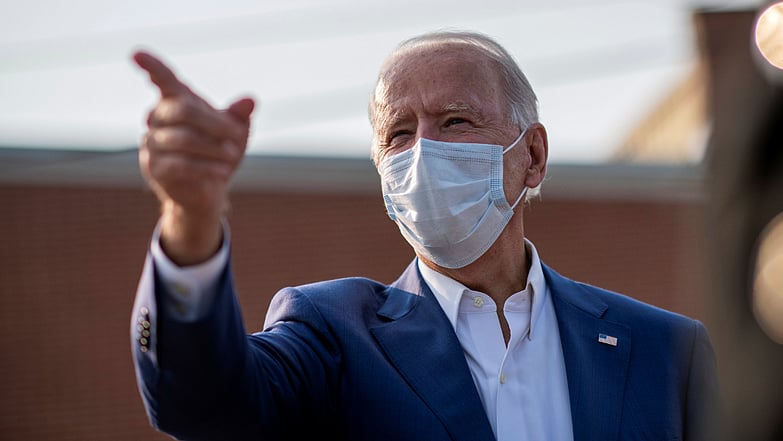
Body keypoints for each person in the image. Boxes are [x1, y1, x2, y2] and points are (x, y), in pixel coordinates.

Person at [129, 30, 723, 441]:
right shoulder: (334, 335)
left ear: (533, 156)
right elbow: (204, 404)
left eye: (455, 122)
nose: (423, 153)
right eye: (399, 134)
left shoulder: (666, 352)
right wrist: (191, 217)